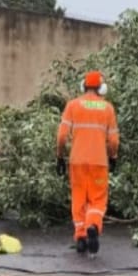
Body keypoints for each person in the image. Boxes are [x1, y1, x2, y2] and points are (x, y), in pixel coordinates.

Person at [56, 70, 119, 255]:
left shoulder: (72, 105)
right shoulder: (107, 108)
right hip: (99, 163)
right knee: (97, 200)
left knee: (79, 198)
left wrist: (59, 156)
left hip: (77, 162)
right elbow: (114, 141)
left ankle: (81, 236)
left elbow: (61, 136)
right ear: (102, 88)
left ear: (83, 86)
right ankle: (93, 226)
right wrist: (113, 157)